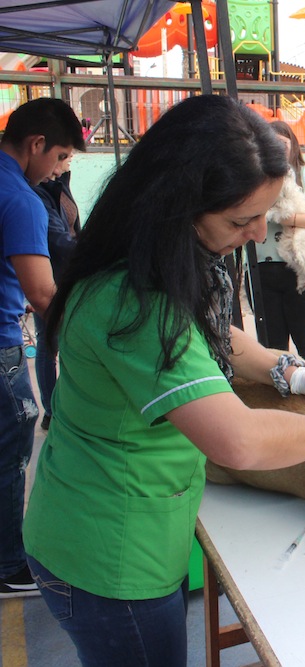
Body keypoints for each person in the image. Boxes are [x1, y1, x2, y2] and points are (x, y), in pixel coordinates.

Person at [22, 95, 305, 665]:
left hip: (134, 524)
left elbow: (215, 341)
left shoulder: (167, 259)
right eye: (242, 220)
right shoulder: (133, 303)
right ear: (178, 206)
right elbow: (238, 440)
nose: (256, 233)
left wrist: (294, 373)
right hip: (109, 554)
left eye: (264, 215)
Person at [0, 98, 83, 599]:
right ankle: (10, 565)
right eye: (58, 158)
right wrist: (87, 345)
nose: (57, 171)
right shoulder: (22, 198)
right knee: (11, 451)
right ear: (36, 145)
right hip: (3, 345)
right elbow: (42, 293)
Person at [250, 120, 305, 367]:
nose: (275, 149)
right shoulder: (253, 179)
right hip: (261, 269)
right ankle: (280, 398)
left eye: (281, 144)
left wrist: (294, 219)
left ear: (293, 146)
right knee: (271, 345)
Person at [32, 150, 81, 432]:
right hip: (50, 275)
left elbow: (73, 228)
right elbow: (58, 241)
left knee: (64, 342)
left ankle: (62, 407)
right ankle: (51, 410)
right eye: (66, 155)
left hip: (70, 273)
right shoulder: (36, 193)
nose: (69, 161)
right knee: (48, 341)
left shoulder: (59, 185)